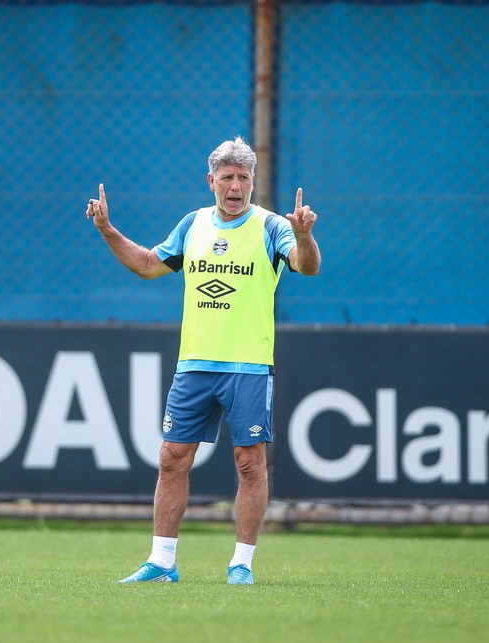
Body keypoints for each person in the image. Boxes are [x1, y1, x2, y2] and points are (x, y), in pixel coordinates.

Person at [85, 136, 321, 585]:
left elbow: (305, 265)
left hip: (248, 366)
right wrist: (107, 231)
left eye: (244, 177)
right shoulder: (194, 224)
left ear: (252, 182)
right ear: (211, 181)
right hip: (194, 365)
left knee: (249, 462)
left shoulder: (273, 227)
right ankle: (161, 563)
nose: (236, 186)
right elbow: (148, 264)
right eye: (228, 177)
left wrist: (306, 237)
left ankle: (241, 565)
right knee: (173, 457)